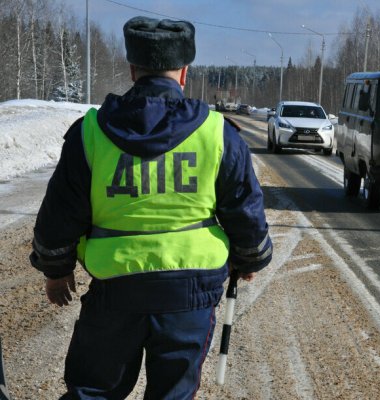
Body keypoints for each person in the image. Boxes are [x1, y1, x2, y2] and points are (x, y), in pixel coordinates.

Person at [29, 16, 272, 399]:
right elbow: (245, 209)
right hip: (189, 295)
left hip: (115, 290)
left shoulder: (90, 132)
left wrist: (55, 272)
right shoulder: (216, 133)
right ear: (185, 72)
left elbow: (60, 214)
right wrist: (250, 258)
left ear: (132, 69)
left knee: (93, 391)